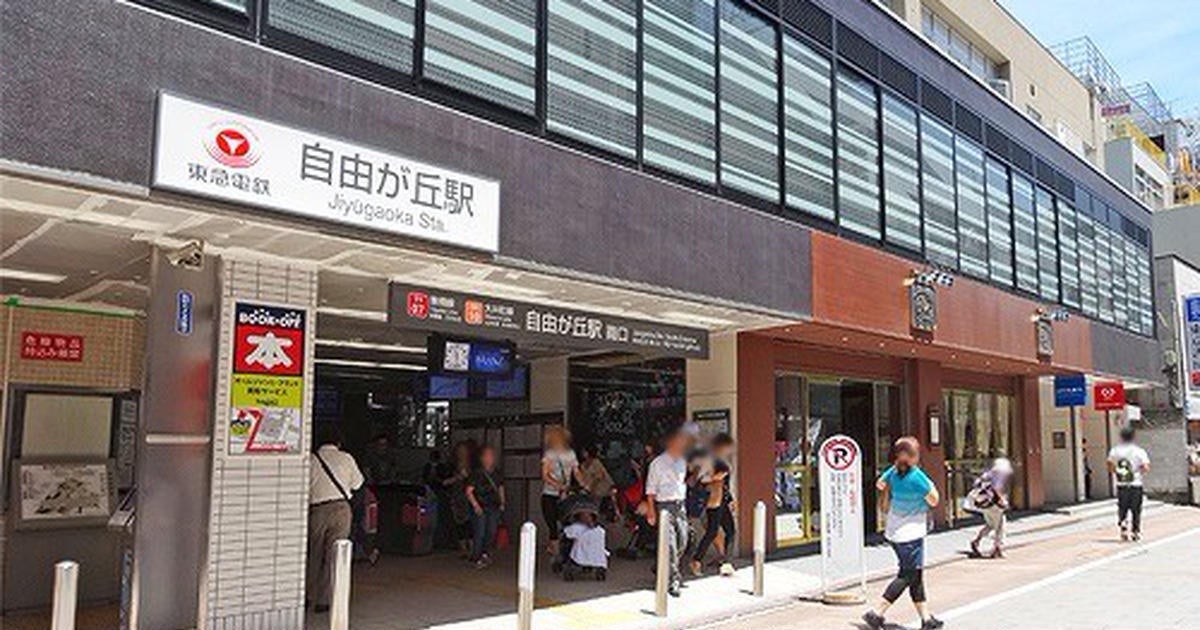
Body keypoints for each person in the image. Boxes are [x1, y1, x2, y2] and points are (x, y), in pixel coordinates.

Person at [863, 437, 943, 630]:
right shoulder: (917, 476)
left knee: (916, 574)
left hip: (894, 530)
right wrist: (930, 485)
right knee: (907, 575)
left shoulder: (893, 470)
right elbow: (934, 500)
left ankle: (926, 619)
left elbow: (880, 484)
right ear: (914, 456)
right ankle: (877, 613)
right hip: (911, 534)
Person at [307, 426, 365, 613]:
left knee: (314, 552)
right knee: (335, 555)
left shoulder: (311, 460)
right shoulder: (346, 458)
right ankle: (324, 600)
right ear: (338, 442)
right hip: (341, 509)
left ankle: (307, 596)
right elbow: (358, 484)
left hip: (318, 510)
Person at [646, 429, 690, 597]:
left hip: (680, 505)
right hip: (664, 506)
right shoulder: (657, 463)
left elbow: (683, 481)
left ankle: (661, 565)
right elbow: (651, 490)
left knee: (683, 540)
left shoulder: (682, 461)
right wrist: (651, 511)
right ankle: (673, 580)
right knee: (670, 544)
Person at [691, 433, 736, 577]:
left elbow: (725, 484)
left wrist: (731, 499)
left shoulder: (723, 460)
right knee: (712, 532)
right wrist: (717, 476)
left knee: (730, 531)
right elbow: (700, 479)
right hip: (713, 501)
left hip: (722, 500)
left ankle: (725, 561)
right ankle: (696, 560)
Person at [541, 425, 580, 555]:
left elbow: (545, 475)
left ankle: (556, 551)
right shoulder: (570, 454)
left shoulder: (550, 454)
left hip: (551, 494)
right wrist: (584, 484)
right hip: (562, 493)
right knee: (562, 522)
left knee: (553, 524)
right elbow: (577, 473)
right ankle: (558, 550)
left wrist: (559, 486)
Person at [1107, 426, 1151, 542]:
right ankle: (1135, 531)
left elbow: (1110, 465)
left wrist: (1118, 472)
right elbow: (1146, 467)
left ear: (1121, 437)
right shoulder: (1139, 451)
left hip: (1121, 484)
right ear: (1133, 437)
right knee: (1136, 509)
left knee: (1122, 507)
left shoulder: (1115, 450)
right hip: (1136, 484)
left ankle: (1123, 526)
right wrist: (1137, 472)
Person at [465, 445, 506, 568]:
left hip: (493, 505)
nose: (490, 458)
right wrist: (475, 505)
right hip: (481, 505)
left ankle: (485, 553)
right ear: (482, 458)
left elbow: (500, 487)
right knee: (480, 531)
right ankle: (477, 556)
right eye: (487, 456)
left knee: (491, 531)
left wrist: (502, 502)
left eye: (491, 455)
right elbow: (469, 491)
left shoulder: (497, 473)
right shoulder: (476, 474)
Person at [968, 457, 1014, 558]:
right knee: (1000, 527)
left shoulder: (986, 475)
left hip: (984, 505)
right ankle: (997, 549)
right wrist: (1003, 503)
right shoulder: (999, 475)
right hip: (995, 506)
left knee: (990, 525)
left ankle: (976, 541)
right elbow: (997, 490)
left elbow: (976, 485)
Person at [444, 441, 476, 557]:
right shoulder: (451, 467)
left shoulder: (473, 467)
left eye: (464, 451)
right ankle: (463, 549)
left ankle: (472, 549)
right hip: (456, 498)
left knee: (470, 523)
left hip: (469, 498)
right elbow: (443, 482)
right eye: (460, 451)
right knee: (459, 524)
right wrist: (457, 478)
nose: (462, 453)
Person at [578, 444, 616, 516]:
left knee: (595, 499)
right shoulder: (582, 465)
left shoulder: (596, 462)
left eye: (584, 451)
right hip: (588, 487)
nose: (582, 453)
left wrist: (592, 487)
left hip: (599, 486)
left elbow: (599, 476)